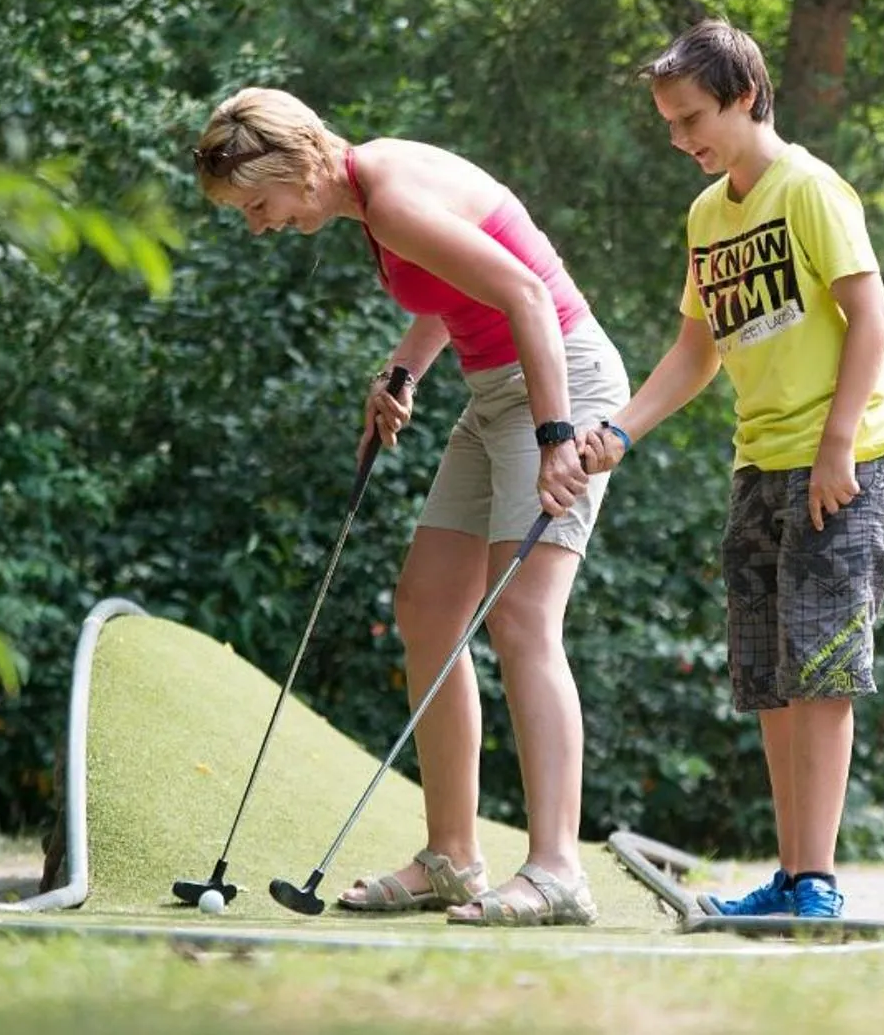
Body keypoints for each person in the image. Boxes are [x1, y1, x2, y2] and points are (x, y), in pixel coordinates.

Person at [192, 88, 626, 928]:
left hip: (558, 382)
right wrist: (403, 371)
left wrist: (554, 436)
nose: (258, 224)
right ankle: (453, 857)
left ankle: (557, 870)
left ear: (295, 166)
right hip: (494, 389)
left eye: (257, 204)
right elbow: (452, 288)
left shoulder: (388, 194)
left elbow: (529, 296)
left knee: (524, 619)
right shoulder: (374, 193)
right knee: (427, 609)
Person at [572, 20, 884, 923]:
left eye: (692, 119)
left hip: (845, 461)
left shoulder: (809, 190)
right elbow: (697, 353)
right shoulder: (707, 214)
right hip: (759, 462)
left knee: (824, 669)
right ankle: (792, 875)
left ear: (746, 96)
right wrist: (621, 430)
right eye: (671, 124)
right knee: (769, 674)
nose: (682, 139)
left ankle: (819, 881)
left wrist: (836, 445)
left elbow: (872, 321)